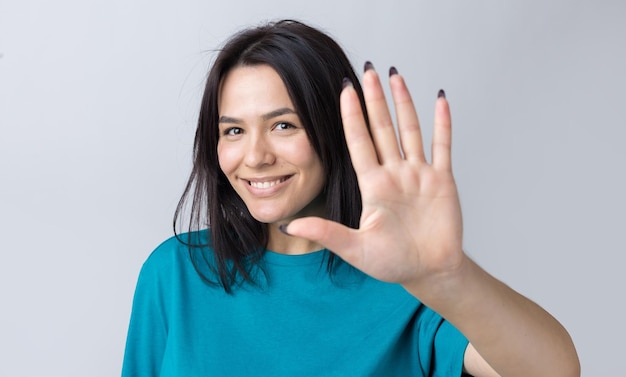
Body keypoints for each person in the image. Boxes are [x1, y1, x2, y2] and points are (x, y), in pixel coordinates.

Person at [121, 20, 580, 377]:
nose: (255, 156)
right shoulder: (173, 274)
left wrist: (450, 276)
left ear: (336, 132)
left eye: (284, 125)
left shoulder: (408, 281)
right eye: (234, 130)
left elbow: (554, 370)